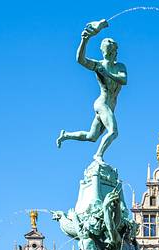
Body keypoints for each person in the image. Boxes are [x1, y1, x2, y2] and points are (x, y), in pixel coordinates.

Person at [57, 20, 127, 162]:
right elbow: (80, 60)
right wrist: (85, 40)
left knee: (92, 136)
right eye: (108, 51)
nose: (111, 53)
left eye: (112, 51)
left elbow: (123, 80)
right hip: (101, 104)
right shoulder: (98, 65)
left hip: (110, 106)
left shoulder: (120, 66)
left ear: (114, 52)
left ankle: (66, 135)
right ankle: (98, 155)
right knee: (113, 132)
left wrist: (106, 73)